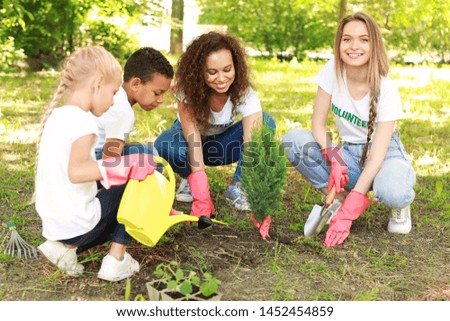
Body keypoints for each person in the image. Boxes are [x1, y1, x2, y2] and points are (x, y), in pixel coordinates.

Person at [282, 12, 416, 246]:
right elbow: (318, 124)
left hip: (384, 156)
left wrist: (354, 206)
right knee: (294, 140)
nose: (354, 46)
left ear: (374, 45)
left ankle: (399, 203)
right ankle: (338, 201)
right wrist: (335, 159)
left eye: (364, 40)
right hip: (350, 154)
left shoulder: (387, 88)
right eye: (347, 39)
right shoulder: (332, 70)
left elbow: (375, 159)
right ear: (339, 43)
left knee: (392, 191)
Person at [35, 46, 156, 281]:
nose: (113, 102)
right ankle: (116, 259)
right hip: (78, 226)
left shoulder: (59, 116)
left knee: (123, 173)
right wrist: (124, 166)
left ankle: (65, 250)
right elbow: (77, 172)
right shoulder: (85, 123)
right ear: (98, 83)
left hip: (55, 225)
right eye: (112, 92)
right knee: (143, 173)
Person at [154, 31, 275, 218]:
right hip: (189, 143)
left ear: (236, 66)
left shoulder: (245, 94)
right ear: (199, 72)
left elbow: (253, 144)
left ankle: (239, 187)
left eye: (227, 70)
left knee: (266, 122)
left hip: (220, 146)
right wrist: (201, 192)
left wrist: (255, 187)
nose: (221, 78)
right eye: (212, 72)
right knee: (165, 145)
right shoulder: (188, 91)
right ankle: (189, 178)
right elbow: (193, 140)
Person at [95, 47, 173, 161]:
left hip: (76, 158)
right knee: (149, 155)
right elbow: (109, 162)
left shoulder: (112, 96)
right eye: (157, 93)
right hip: (87, 164)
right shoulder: (123, 111)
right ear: (136, 84)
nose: (161, 100)